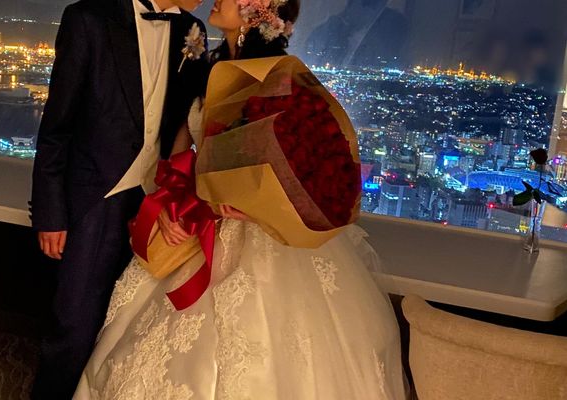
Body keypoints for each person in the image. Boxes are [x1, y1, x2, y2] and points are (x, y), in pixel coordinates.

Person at [74, 0, 408, 398]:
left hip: (263, 238)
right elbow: (181, 151)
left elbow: (301, 163)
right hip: (202, 222)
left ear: (258, 9)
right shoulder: (207, 66)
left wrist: (262, 205)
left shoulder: (276, 77)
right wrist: (172, 203)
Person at [29, 0, 209, 397]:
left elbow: (188, 120)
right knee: (74, 324)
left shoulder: (192, 31)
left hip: (154, 200)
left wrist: (176, 196)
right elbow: (56, 126)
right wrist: (50, 213)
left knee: (127, 324)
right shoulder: (89, 19)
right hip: (96, 197)